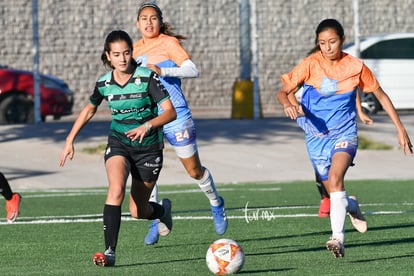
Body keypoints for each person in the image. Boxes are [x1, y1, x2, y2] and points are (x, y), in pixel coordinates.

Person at [277, 18, 413, 258]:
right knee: (333, 191)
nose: (327, 47)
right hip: (315, 134)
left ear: (341, 40)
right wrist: (289, 104)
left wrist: (400, 129)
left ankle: (337, 238)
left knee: (336, 177)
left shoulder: (356, 67)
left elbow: (381, 96)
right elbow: (283, 92)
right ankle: (351, 205)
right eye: (322, 43)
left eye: (332, 42)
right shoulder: (310, 64)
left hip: (344, 132)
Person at [59, 30, 176, 267]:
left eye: (126, 53)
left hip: (149, 150)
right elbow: (89, 109)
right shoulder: (103, 83)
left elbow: (170, 111)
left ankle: (162, 212)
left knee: (138, 211)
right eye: (116, 54)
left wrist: (147, 125)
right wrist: (70, 138)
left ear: (131, 53)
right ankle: (110, 251)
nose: (122, 58)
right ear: (108, 56)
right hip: (119, 143)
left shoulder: (147, 79)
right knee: (115, 189)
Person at [132, 2, 228, 245]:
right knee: (147, 173)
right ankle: (156, 218)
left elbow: (192, 70)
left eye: (153, 18)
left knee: (193, 170)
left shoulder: (168, 43)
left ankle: (216, 203)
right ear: (137, 23)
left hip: (176, 115)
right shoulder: (133, 51)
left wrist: (162, 72)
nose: (148, 22)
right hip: (149, 119)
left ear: (160, 21)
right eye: (144, 18)